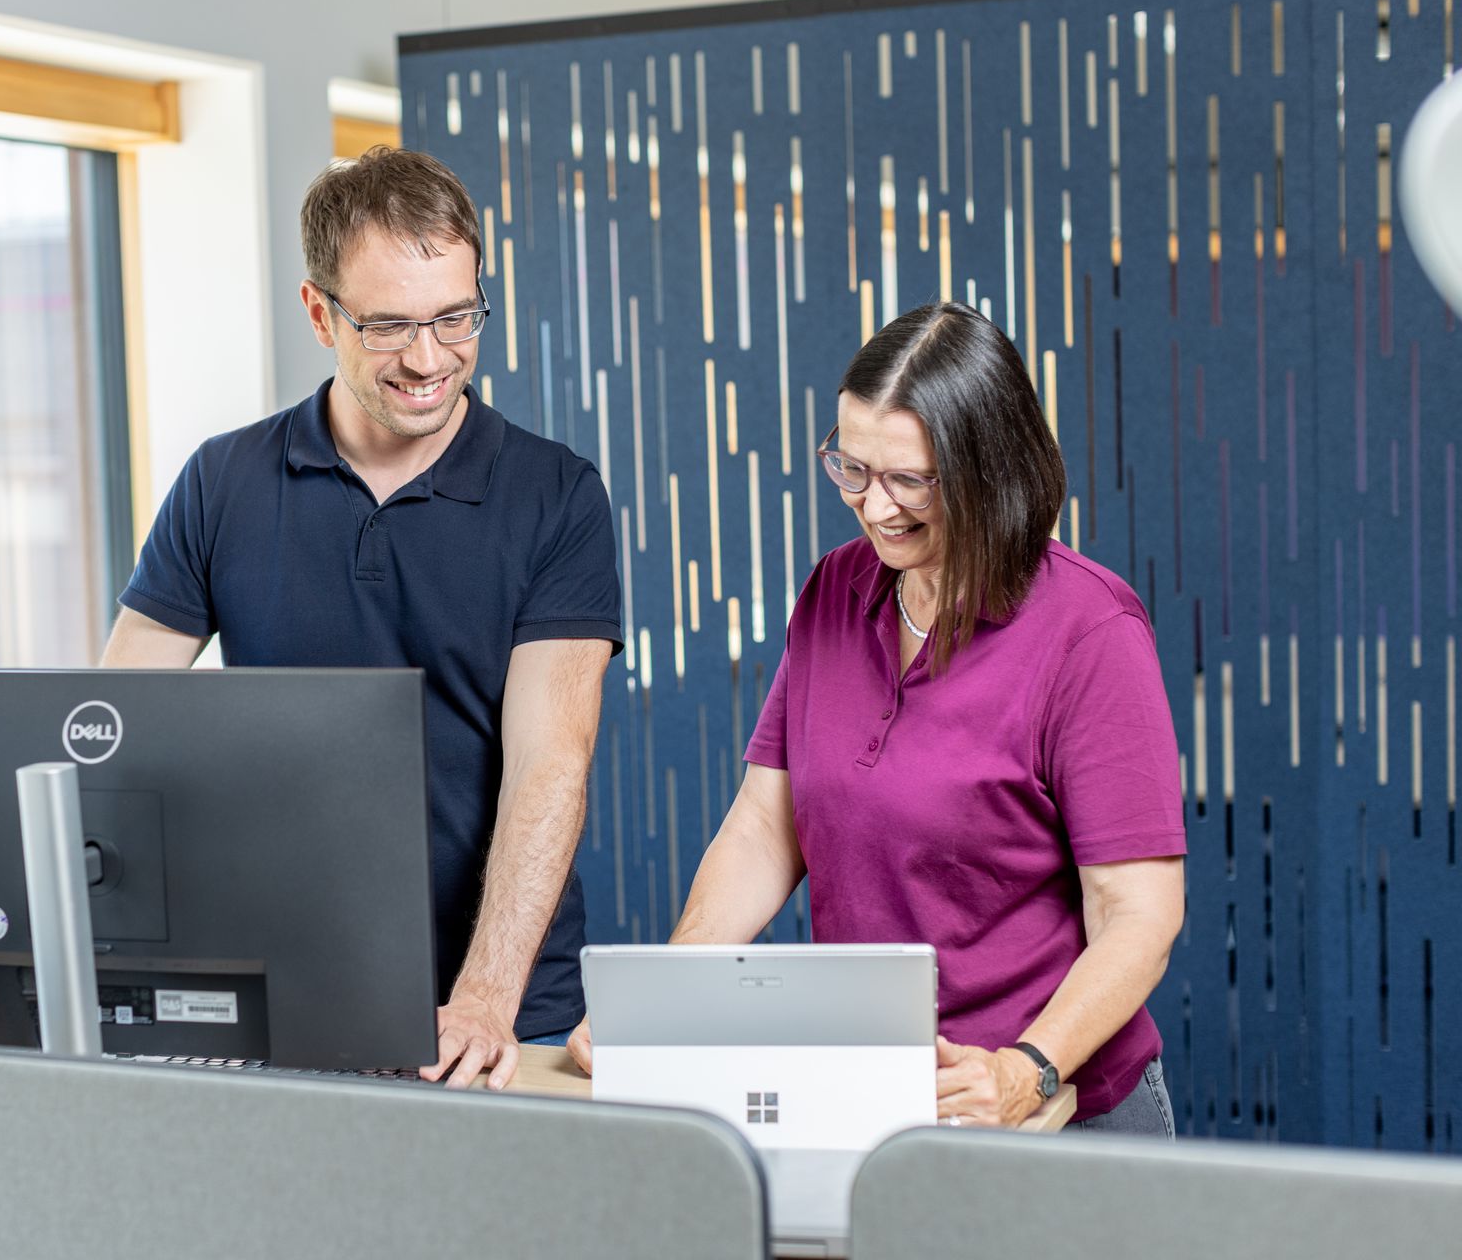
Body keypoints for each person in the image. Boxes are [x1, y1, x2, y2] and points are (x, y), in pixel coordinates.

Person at [568, 302, 1185, 1134]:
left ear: (989, 470)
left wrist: (1026, 1070)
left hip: (1059, 1105)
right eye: (851, 469)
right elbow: (764, 826)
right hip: (880, 1097)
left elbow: (1139, 914)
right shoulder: (836, 589)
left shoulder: (1091, 633)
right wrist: (666, 1006)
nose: (874, 506)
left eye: (909, 481)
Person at [103, 146, 620, 1090]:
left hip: (503, 1004)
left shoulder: (558, 496)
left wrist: (485, 998)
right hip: (279, 994)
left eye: (456, 317)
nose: (429, 359)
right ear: (319, 313)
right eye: (389, 326)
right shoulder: (223, 482)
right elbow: (113, 731)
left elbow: (552, 762)